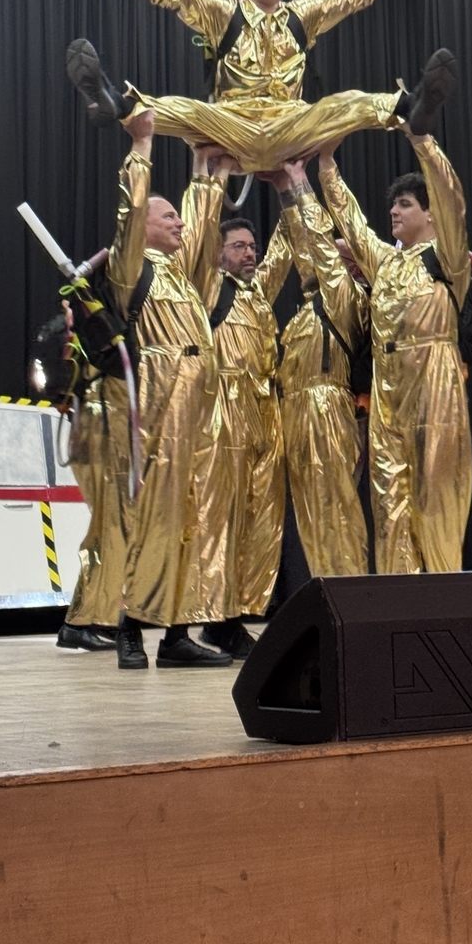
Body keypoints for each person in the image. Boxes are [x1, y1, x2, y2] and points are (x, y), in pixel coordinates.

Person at [47, 0, 458, 171]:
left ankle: (413, 105)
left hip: (291, 126)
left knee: (347, 102)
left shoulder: (304, 15)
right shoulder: (221, 12)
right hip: (232, 125)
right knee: (180, 109)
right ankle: (114, 103)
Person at [62, 111, 232, 670]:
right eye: (168, 216)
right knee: (150, 517)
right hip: (156, 405)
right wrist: (142, 146)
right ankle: (130, 627)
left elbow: (204, 223)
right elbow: (130, 213)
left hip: (200, 408)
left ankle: (179, 634)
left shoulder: (185, 276)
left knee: (193, 520)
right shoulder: (133, 270)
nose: (179, 223)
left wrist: (208, 168)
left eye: (177, 215)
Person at [317, 55, 472, 574]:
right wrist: (326, 163)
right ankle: (398, 601)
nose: (394, 211)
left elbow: (452, 201)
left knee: (437, 496)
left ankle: (444, 598)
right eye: (394, 205)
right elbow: (352, 223)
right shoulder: (385, 262)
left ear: (428, 214)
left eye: (405, 204)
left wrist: (421, 139)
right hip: (386, 388)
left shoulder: (447, 258)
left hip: (434, 377)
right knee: (389, 502)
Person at [186, 214, 291, 659]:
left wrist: (291, 187)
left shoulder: (257, 293)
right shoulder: (208, 287)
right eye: (239, 246)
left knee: (256, 520)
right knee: (221, 519)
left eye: (252, 247)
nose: (250, 253)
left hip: (263, 411)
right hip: (222, 411)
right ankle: (215, 616)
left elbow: (283, 252)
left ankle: (233, 619)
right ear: (218, 253)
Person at [274, 161, 371, 577]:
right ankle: (327, 587)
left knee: (335, 508)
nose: (324, 255)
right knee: (311, 515)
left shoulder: (349, 297)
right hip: (296, 409)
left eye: (337, 254)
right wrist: (284, 192)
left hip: (327, 405)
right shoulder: (313, 303)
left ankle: (350, 592)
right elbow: (306, 248)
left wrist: (300, 183)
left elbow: (318, 243)